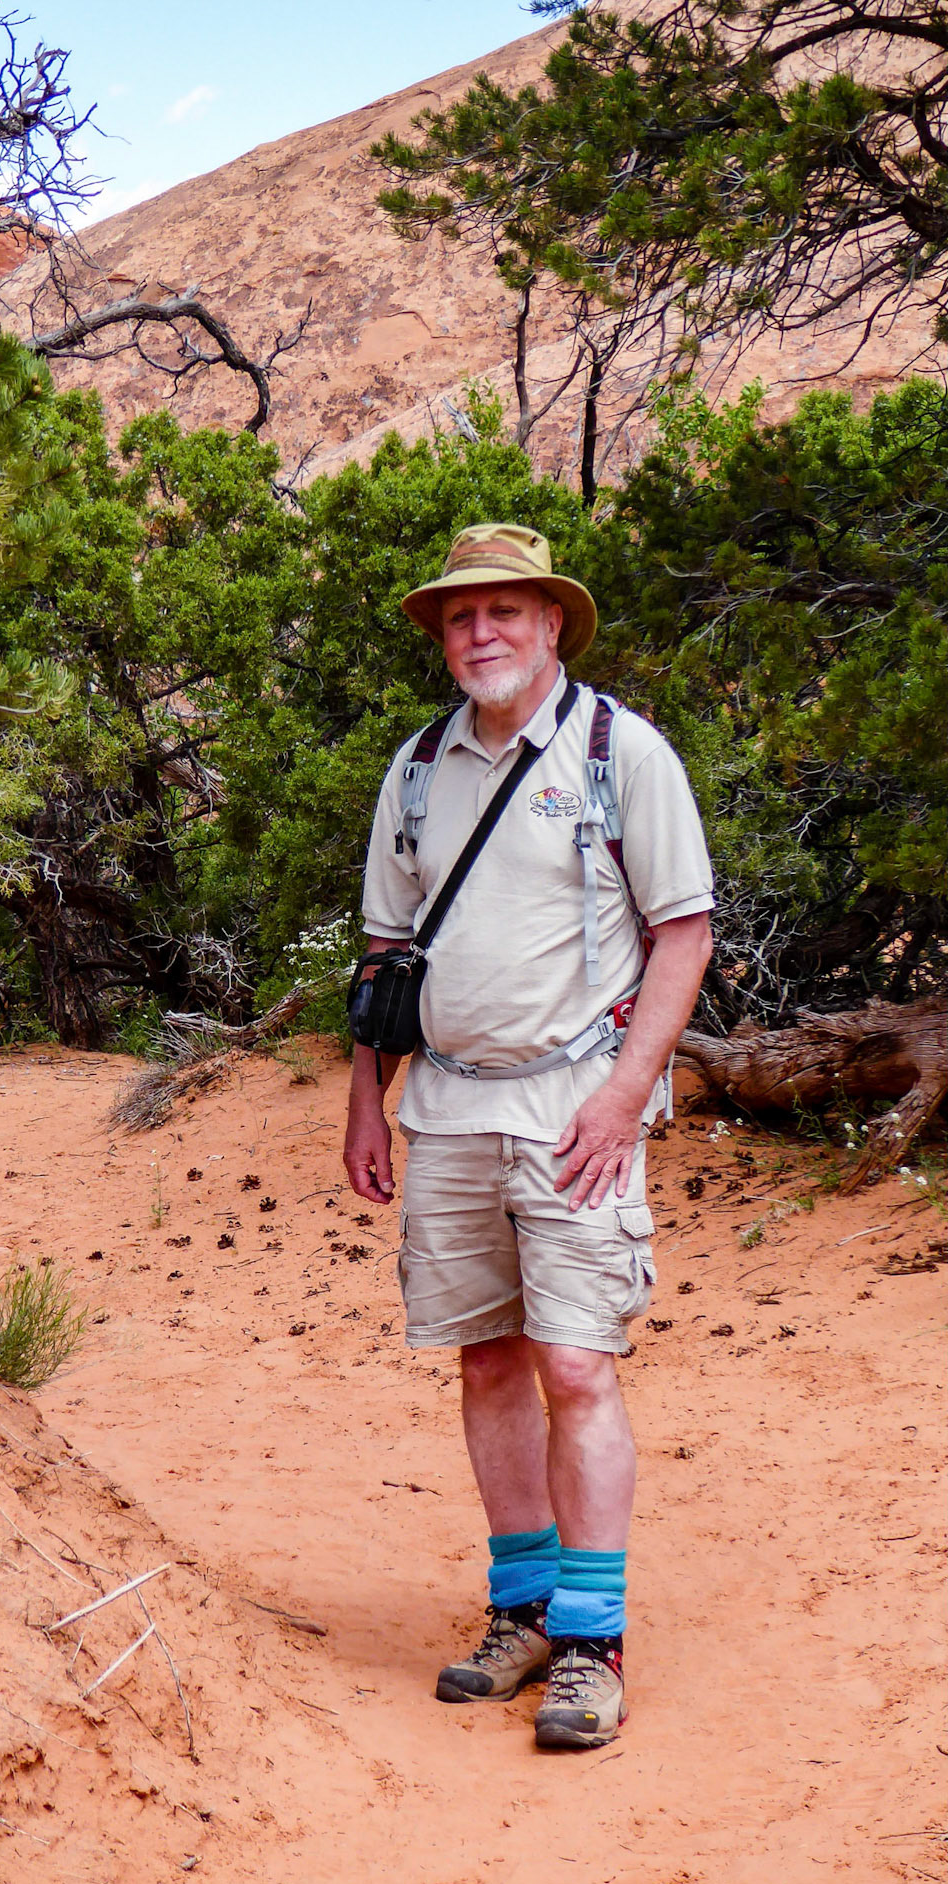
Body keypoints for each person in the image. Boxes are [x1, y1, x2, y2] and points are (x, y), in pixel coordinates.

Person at [343, 523, 714, 1750]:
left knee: (574, 1363)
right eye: (461, 617)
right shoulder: (414, 771)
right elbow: (387, 954)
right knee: (486, 1358)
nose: (482, 633)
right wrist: (365, 1098)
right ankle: (521, 1610)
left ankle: (592, 1644)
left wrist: (619, 1096)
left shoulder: (619, 753)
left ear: (552, 624)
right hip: (444, 1105)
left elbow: (683, 932)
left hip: (571, 1111)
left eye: (506, 611)